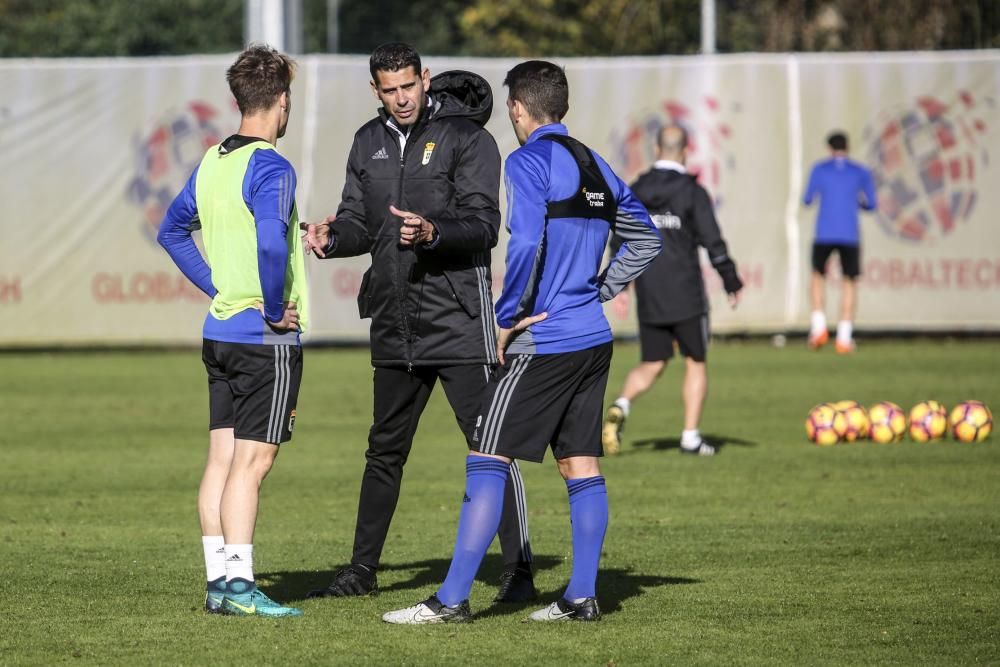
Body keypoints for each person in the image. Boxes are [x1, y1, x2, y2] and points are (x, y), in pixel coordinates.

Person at [382, 60, 662, 625]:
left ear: (516, 108)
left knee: (486, 452)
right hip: (592, 338)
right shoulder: (595, 163)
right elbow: (645, 238)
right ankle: (581, 597)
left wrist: (508, 318)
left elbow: (527, 241)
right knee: (580, 465)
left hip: (547, 338)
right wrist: (598, 289)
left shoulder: (527, 159)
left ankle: (451, 601)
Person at [301, 43, 536, 601]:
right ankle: (361, 570)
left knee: (490, 446)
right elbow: (360, 222)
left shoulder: (469, 139)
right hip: (394, 320)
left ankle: (519, 572)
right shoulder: (367, 141)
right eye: (390, 89)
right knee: (384, 450)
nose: (402, 98)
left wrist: (432, 231)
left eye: (409, 85)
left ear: (425, 79)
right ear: (375, 90)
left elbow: (483, 225)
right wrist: (333, 239)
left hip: (457, 319)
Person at [157, 44, 307, 617]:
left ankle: (219, 582)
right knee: (253, 462)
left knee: (222, 459)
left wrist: (218, 287)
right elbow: (270, 241)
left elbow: (172, 232)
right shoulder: (271, 166)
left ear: (238, 99)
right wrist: (271, 306)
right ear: (283, 102)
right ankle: (242, 589)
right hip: (261, 342)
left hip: (218, 335)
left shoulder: (214, 160)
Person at [602, 124, 743, 457]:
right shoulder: (692, 192)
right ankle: (690, 437)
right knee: (695, 361)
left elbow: (619, 238)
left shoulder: (636, 188)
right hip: (686, 291)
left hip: (650, 288)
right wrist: (730, 279)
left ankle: (621, 404)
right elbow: (712, 239)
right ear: (686, 149)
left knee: (652, 361)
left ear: (656, 148)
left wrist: (618, 286)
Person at [802, 131, 877, 353]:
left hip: (824, 232)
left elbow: (807, 199)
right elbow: (871, 203)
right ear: (848, 147)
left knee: (817, 276)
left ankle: (819, 328)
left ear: (829, 148)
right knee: (849, 282)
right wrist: (854, 203)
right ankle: (844, 338)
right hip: (849, 234)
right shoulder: (860, 172)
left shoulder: (820, 169)